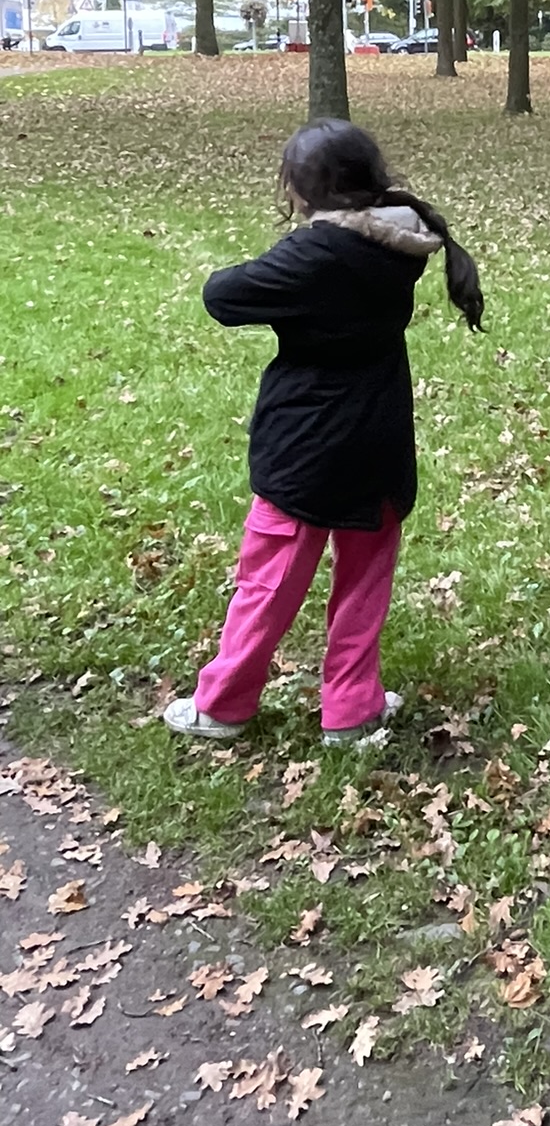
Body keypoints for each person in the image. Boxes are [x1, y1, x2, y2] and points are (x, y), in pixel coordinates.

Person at [163, 120, 483, 745]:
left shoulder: (316, 254)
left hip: (308, 443)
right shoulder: (403, 238)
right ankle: (351, 709)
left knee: (270, 579)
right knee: (365, 580)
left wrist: (288, 252)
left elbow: (222, 296)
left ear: (308, 188)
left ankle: (223, 704)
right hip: (380, 434)